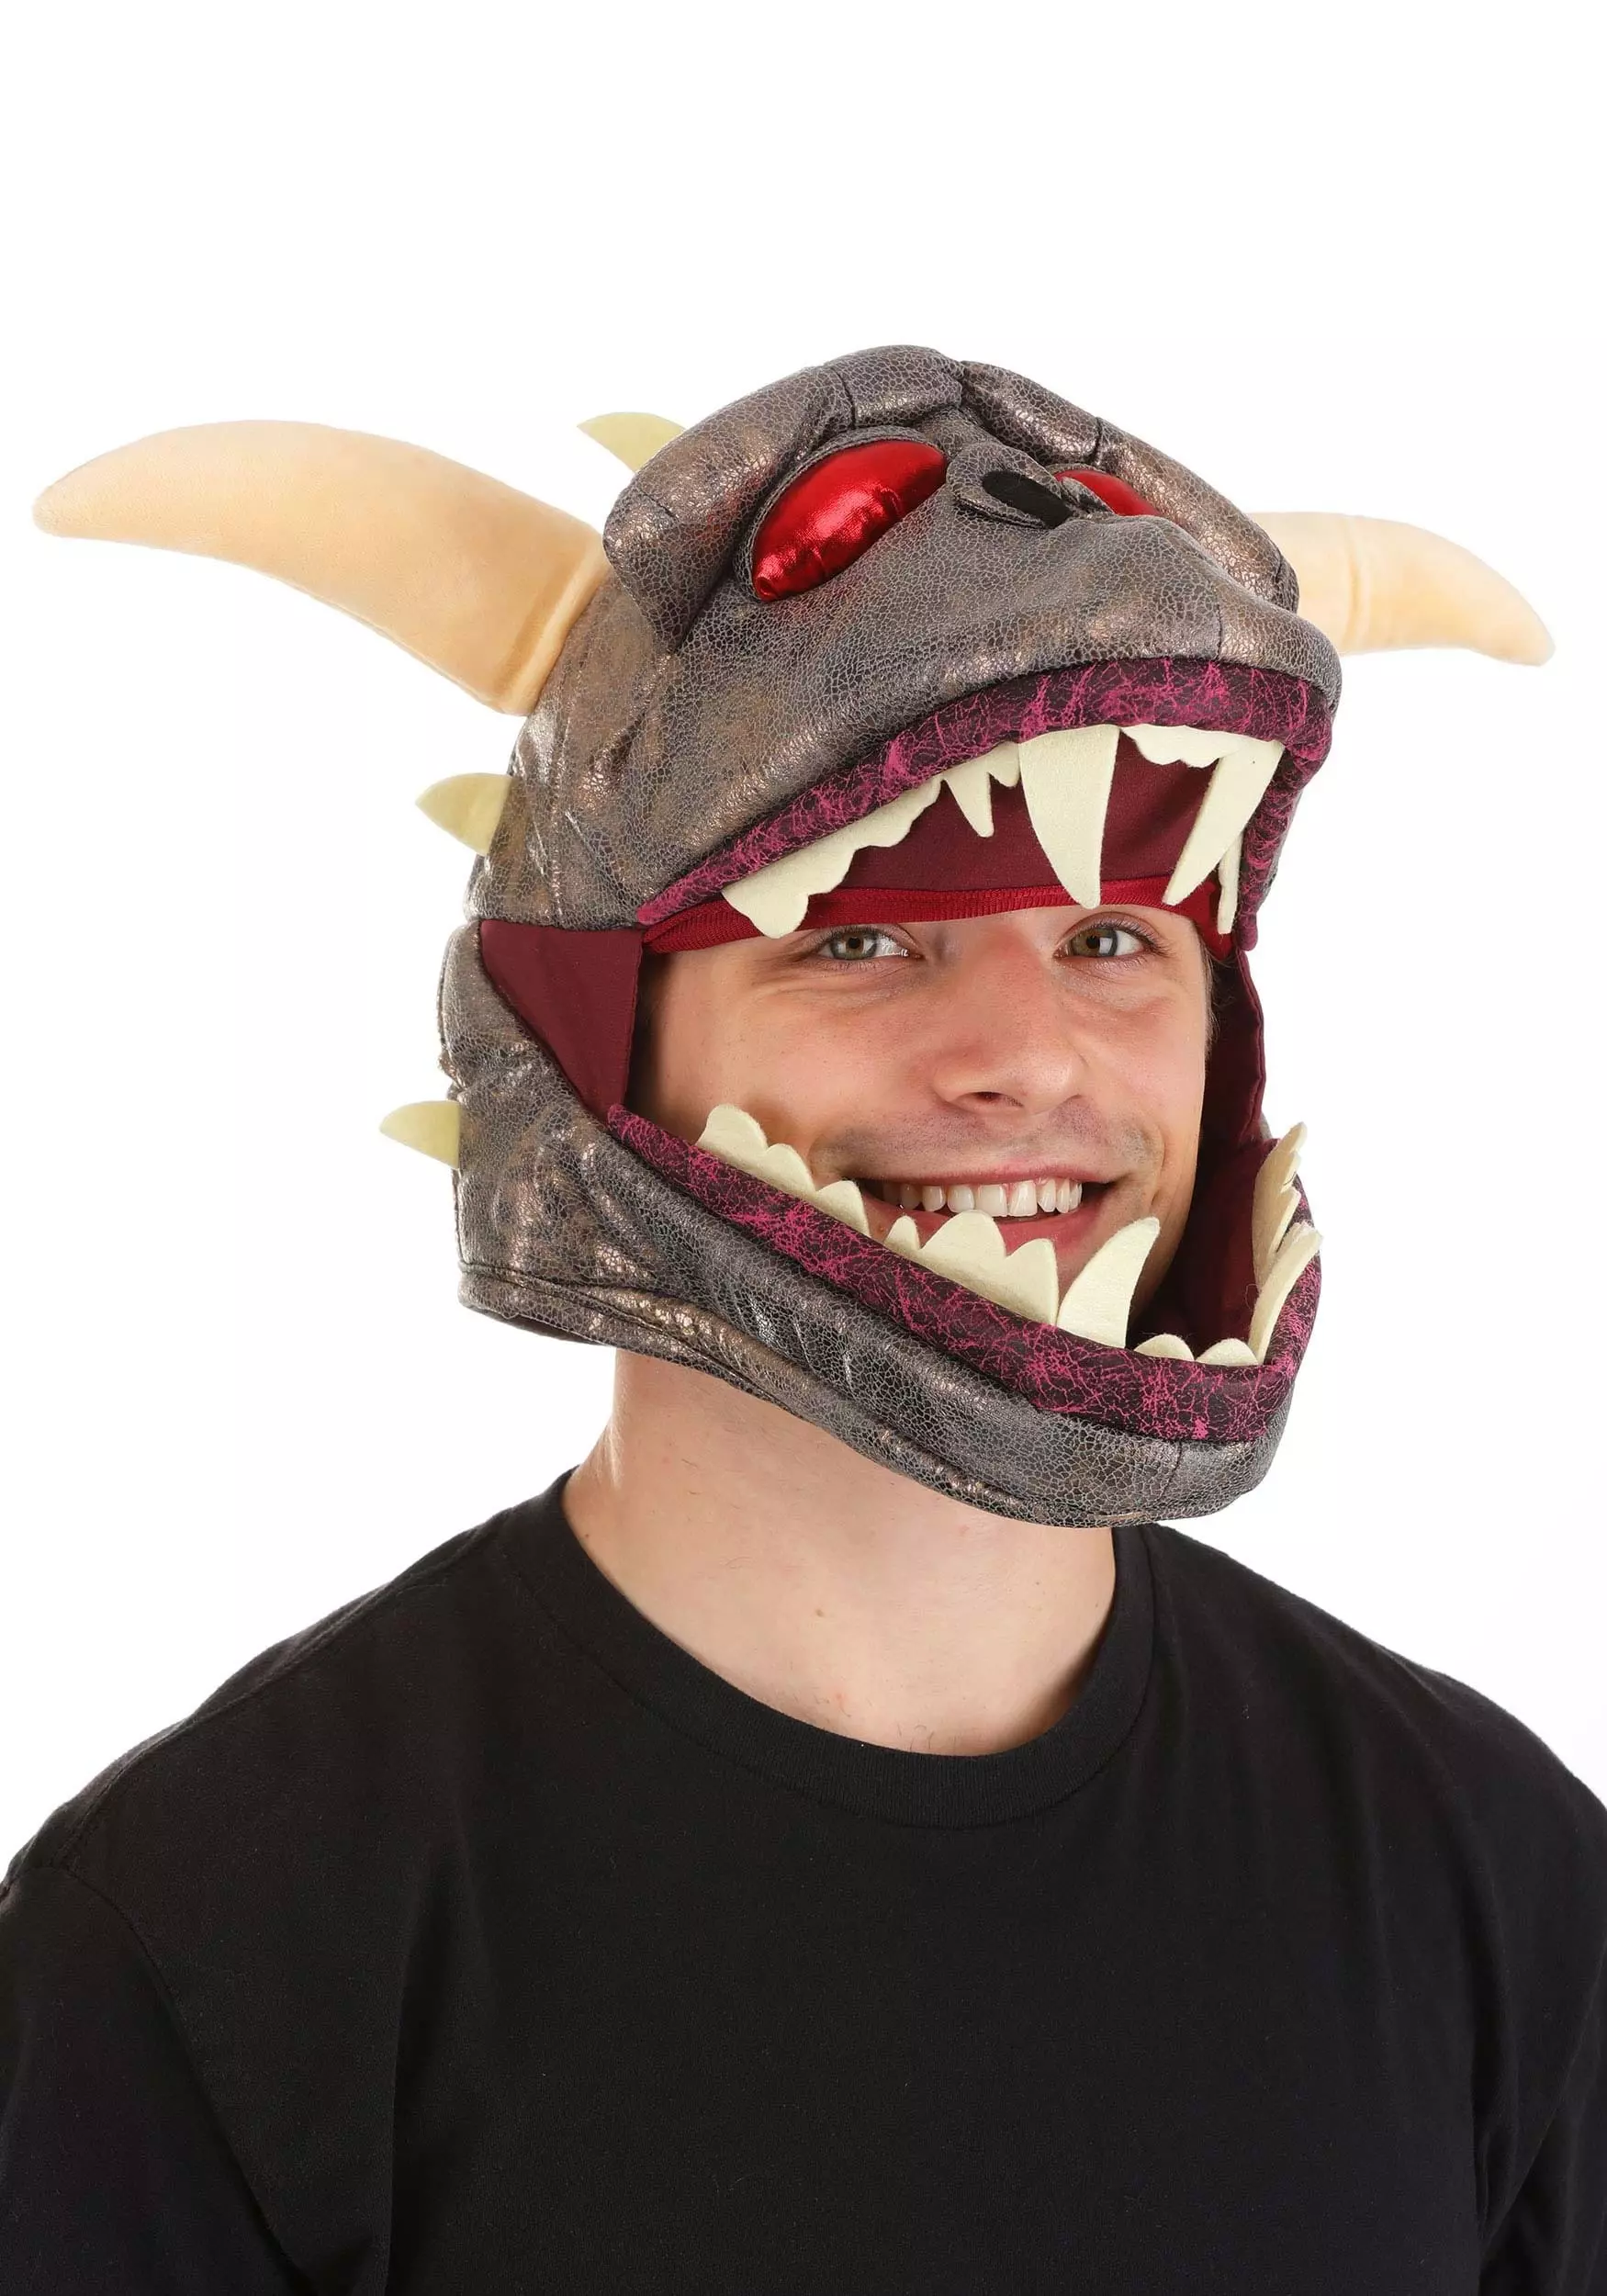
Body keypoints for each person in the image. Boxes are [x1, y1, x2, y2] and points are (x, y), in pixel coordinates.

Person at [4, 349, 1602, 2291]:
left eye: (1113, 940)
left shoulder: (1489, 1869)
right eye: (859, 939)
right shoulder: (202, 1938)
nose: (1030, 1056)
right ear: (592, 1038)